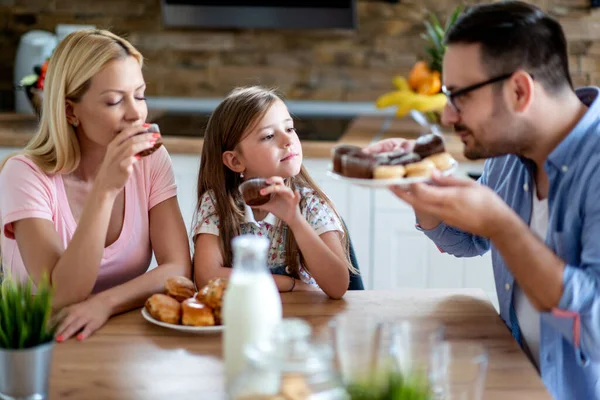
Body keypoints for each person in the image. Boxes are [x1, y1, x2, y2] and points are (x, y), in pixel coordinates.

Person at [366, 2, 600, 398]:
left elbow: (593, 331)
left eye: (460, 96)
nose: (448, 117)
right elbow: (468, 241)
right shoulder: (509, 154)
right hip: (516, 377)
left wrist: (502, 226)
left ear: (519, 91)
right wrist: (425, 188)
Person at [0, 30, 191, 341]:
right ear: (69, 110)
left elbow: (178, 267)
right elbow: (61, 295)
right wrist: (105, 190)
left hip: (118, 336)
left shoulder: (150, 161)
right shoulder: (23, 175)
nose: (135, 113)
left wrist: (105, 304)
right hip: (37, 344)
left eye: (139, 95)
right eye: (115, 101)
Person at [193, 86, 356, 299]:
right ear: (235, 160)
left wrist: (295, 220)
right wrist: (290, 284)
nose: (288, 140)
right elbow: (207, 277)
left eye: (289, 129)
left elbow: (338, 286)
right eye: (269, 136)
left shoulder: (311, 205)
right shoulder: (217, 203)